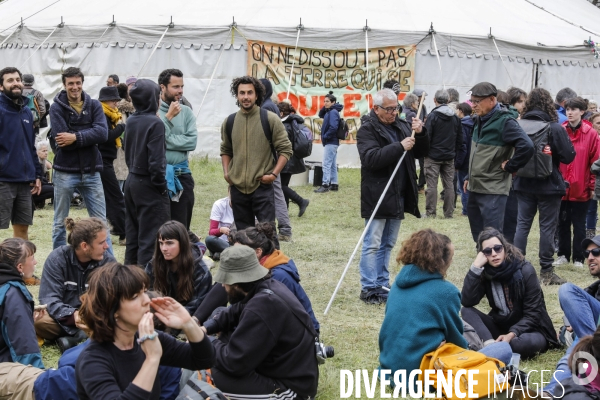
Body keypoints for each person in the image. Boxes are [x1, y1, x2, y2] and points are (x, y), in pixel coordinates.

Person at [378, 229, 512, 389]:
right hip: (422, 376)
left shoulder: (396, 286)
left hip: (389, 370)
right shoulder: (446, 291)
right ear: (440, 260)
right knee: (503, 349)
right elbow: (457, 340)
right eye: (450, 257)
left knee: (465, 325)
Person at [74, 262, 214, 400]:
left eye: (144, 291)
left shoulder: (146, 339)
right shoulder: (93, 360)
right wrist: (152, 359)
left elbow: (205, 360)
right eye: (135, 297)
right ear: (113, 309)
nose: (146, 300)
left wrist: (188, 323)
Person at [202, 245, 318, 399]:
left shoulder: (262, 307)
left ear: (236, 283)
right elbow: (233, 311)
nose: (223, 285)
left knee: (209, 374)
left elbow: (233, 364)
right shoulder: (266, 287)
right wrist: (205, 328)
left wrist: (206, 342)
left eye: (225, 281)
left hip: (291, 390)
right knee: (219, 315)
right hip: (280, 370)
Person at [356, 88, 429, 304]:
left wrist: (421, 132)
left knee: (388, 242)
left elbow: (421, 151)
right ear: (376, 109)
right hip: (378, 192)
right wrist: (399, 146)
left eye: (396, 108)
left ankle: (382, 282)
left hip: (398, 192)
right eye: (389, 109)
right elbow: (371, 159)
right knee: (372, 243)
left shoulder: (402, 125)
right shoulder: (367, 130)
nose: (394, 113)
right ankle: (368, 287)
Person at [461, 228, 558, 359]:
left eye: (497, 248)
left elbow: (533, 314)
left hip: (530, 329)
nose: (494, 254)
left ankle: (493, 348)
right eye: (488, 251)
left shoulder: (525, 270)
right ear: (482, 254)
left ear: (505, 247)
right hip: (501, 326)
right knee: (466, 311)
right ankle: (491, 347)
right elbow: (467, 301)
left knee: (521, 345)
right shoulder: (485, 272)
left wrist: (512, 333)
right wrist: (475, 269)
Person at [512, 88, 576, 285]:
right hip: (549, 184)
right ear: (549, 104)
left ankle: (517, 268)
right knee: (547, 228)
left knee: (522, 225)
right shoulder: (554, 128)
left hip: (523, 182)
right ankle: (546, 271)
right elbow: (568, 156)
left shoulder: (517, 125)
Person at [220, 76, 292, 234]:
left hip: (262, 187)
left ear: (257, 95)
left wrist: (273, 175)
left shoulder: (270, 119)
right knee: (243, 237)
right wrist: (227, 173)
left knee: (267, 236)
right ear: (237, 95)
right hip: (238, 188)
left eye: (249, 93)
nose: (246, 97)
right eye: (242, 93)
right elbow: (225, 150)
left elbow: (286, 150)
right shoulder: (229, 121)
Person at [49, 67, 111, 251]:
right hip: (65, 171)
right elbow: (61, 139)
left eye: (78, 83)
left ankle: (108, 265)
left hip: (91, 171)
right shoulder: (56, 108)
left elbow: (103, 133)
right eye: (71, 84)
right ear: (64, 85)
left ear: (82, 83)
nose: (74, 87)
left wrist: (75, 137)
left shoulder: (94, 105)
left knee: (100, 222)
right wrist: (89, 135)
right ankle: (58, 263)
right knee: (60, 222)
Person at [463, 82, 534, 242]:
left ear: (492, 100)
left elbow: (527, 146)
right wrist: (469, 176)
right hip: (476, 186)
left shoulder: (505, 122)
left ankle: (496, 265)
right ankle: (482, 264)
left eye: (477, 101)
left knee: (493, 237)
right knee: (478, 235)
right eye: (472, 101)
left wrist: (511, 165)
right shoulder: (480, 118)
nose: (473, 105)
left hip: (493, 188)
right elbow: (478, 153)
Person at [37, 217, 116, 352]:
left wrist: (90, 317)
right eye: (101, 242)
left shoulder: (108, 263)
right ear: (84, 246)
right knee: (38, 320)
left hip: (95, 319)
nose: (106, 246)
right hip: (65, 319)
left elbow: (114, 300)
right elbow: (49, 299)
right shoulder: (57, 258)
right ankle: (84, 336)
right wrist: (73, 315)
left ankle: (76, 338)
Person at [231, 222, 320, 332]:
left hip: (301, 334)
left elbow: (262, 315)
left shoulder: (278, 276)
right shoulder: (257, 268)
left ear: (258, 252)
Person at [542, 235, 600, 396]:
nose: (590, 257)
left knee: (567, 289)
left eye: (596, 252)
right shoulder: (594, 290)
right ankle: (549, 393)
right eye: (587, 254)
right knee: (579, 341)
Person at [124, 79, 171, 266]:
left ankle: (128, 282)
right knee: (150, 238)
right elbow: (157, 164)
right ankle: (146, 283)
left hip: (132, 181)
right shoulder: (155, 123)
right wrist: (161, 188)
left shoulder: (132, 120)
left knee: (133, 235)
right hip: (148, 183)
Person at [553, 97, 600, 268]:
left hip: (581, 186)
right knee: (562, 222)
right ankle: (563, 254)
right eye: (568, 109)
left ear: (582, 111)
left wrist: (592, 185)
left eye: (574, 109)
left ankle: (579, 257)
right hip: (561, 186)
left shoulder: (591, 134)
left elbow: (595, 162)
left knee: (579, 224)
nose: (570, 113)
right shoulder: (560, 130)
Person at [0, 67, 42, 240]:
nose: (16, 83)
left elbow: (29, 145)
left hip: (25, 181)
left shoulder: (26, 111)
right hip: (3, 180)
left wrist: (37, 174)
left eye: (17, 79)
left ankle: (19, 266)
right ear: (1, 86)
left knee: (22, 231)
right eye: (10, 80)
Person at [145, 220, 212, 318]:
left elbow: (195, 306)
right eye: (161, 243)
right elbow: (144, 291)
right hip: (158, 313)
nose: (164, 248)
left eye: (169, 243)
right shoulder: (155, 264)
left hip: (185, 318)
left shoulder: (200, 271)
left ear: (182, 243)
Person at [158, 69, 198, 229]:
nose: (180, 91)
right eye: (175, 87)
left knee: (181, 228)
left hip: (182, 176)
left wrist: (167, 138)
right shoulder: (154, 111)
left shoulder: (187, 111)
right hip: (158, 178)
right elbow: (155, 140)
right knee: (160, 228)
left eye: (182, 86)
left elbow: (191, 142)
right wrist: (168, 118)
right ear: (163, 87)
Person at [0, 238, 44, 368]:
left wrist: (27, 316)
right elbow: (24, 347)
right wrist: (37, 377)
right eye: (32, 258)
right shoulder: (13, 294)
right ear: (20, 267)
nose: (35, 262)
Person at [259, 78, 293, 242]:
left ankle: (283, 230)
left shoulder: (265, 107)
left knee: (273, 194)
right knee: (277, 193)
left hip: (267, 158)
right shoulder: (271, 105)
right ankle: (284, 229)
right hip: (273, 156)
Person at [423, 89, 462, 218]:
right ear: (448, 100)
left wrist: (426, 152)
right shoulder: (455, 117)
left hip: (433, 156)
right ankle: (449, 213)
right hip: (449, 156)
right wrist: (454, 153)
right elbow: (459, 139)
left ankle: (430, 213)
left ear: (435, 100)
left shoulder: (432, 116)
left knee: (432, 185)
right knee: (449, 185)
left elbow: (427, 137)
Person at [97, 86, 127, 246]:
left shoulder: (109, 114)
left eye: (117, 100)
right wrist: (121, 128)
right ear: (105, 101)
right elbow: (106, 136)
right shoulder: (102, 114)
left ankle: (116, 227)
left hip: (106, 160)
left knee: (109, 197)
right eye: (113, 100)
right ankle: (123, 232)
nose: (116, 103)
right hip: (102, 161)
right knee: (115, 196)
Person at [278, 101, 310, 217]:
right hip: (292, 160)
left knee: (279, 186)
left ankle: (301, 201)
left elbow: (283, 145)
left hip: (286, 160)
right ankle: (284, 210)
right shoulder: (292, 122)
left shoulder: (284, 125)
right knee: (283, 185)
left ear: (281, 113)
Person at [315, 91, 343, 193]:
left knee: (326, 163)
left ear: (333, 102)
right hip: (332, 142)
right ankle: (334, 184)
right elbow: (320, 114)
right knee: (332, 164)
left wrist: (325, 137)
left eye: (327, 101)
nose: (325, 103)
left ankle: (325, 185)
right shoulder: (330, 111)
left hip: (331, 141)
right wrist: (327, 104)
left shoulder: (333, 112)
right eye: (324, 101)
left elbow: (333, 127)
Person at [455, 102, 473, 216]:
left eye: (456, 110)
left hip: (464, 160)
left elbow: (463, 146)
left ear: (461, 111)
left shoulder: (462, 125)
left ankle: (466, 210)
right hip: (473, 159)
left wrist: (457, 163)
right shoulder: (475, 122)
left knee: (463, 186)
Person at [206, 193, 233, 261]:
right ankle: (234, 253)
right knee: (209, 239)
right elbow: (211, 232)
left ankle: (222, 253)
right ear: (228, 192)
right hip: (222, 242)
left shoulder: (247, 205)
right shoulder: (219, 204)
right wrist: (220, 230)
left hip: (239, 242)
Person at [32, 140, 55, 211]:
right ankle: (33, 200)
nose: (46, 153)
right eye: (43, 151)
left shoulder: (43, 162)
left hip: (41, 185)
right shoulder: (34, 163)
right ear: (37, 152)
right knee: (54, 190)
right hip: (32, 187)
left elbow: (51, 166)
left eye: (47, 151)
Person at [413, 88, 428, 193]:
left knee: (423, 164)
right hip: (410, 137)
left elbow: (424, 118)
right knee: (410, 163)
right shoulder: (408, 108)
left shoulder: (423, 107)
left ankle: (421, 185)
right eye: (421, 97)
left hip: (420, 137)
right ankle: (412, 184)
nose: (423, 99)